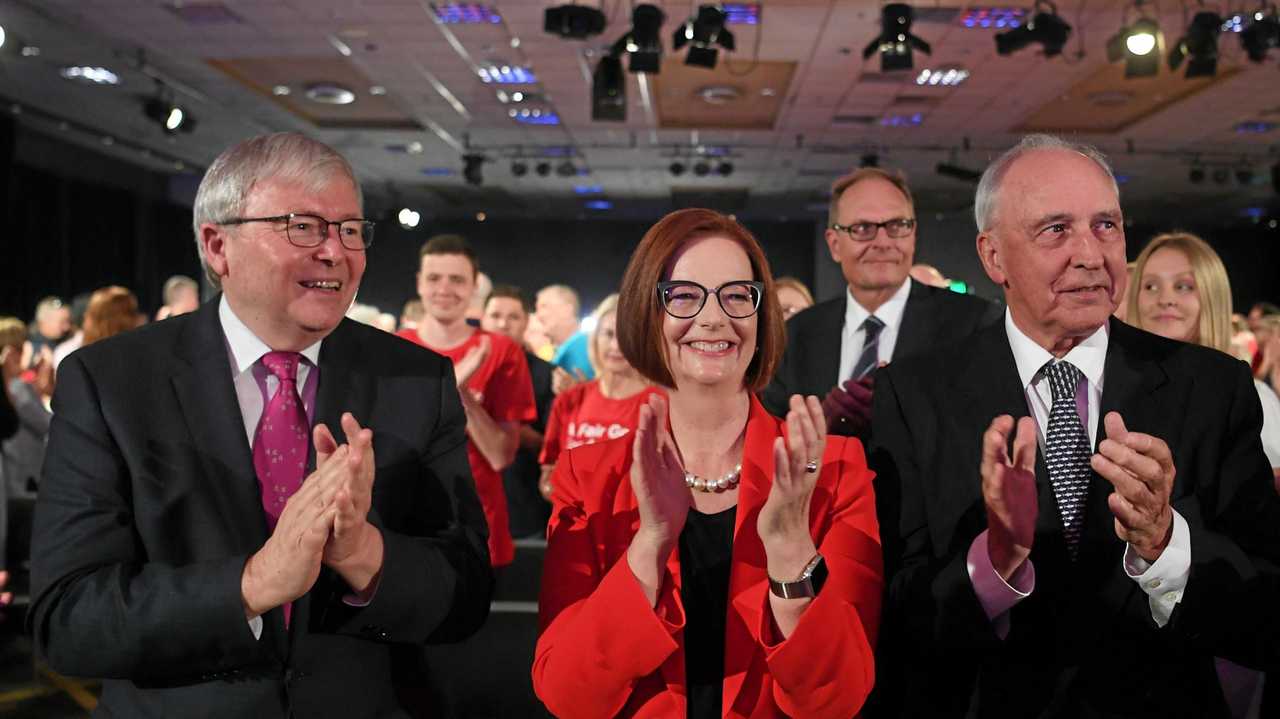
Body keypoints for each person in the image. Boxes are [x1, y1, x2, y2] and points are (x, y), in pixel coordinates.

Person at [28, 132, 494, 717]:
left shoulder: (416, 381)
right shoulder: (112, 383)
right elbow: (67, 619)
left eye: (350, 229)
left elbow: (467, 597)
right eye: (304, 227)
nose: (335, 252)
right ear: (218, 246)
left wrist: (363, 553)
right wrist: (250, 586)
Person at [870, 134, 1280, 717]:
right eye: (1056, 230)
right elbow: (896, 618)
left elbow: (1266, 616)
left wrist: (1168, 545)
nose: (1091, 254)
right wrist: (993, 561)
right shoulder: (914, 396)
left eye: (1106, 226)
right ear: (993, 257)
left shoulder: (1213, 388)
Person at [533, 208, 882, 718]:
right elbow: (569, 697)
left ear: (761, 319)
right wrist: (650, 543)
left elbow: (837, 699)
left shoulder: (833, 468)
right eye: (684, 295)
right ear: (646, 314)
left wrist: (790, 551)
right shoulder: (589, 476)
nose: (714, 317)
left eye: (737, 295)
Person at [1124, 230, 1280, 717]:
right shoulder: (1113, 392)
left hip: (1215, 627)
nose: (1164, 299)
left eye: (1183, 286)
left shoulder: (1253, 397)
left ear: (1210, 295)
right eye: (1150, 286)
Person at [762, 167, 1001, 438]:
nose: (883, 242)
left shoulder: (971, 325)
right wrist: (819, 431)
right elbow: (770, 443)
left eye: (897, 226)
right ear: (834, 244)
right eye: (863, 228)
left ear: (913, 235)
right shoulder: (796, 336)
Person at [397, 235, 536, 568]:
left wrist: (461, 396)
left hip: (477, 529)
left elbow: (500, 455)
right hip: (407, 528)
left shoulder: (501, 351)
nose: (444, 289)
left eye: (457, 279)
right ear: (419, 283)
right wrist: (452, 382)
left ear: (475, 287)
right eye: (434, 278)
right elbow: (398, 449)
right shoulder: (396, 349)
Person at [537, 293, 664, 500]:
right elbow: (549, 473)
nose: (616, 346)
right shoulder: (569, 399)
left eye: (627, 336)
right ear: (595, 338)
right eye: (609, 334)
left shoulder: (658, 404)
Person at [481, 284, 556, 538]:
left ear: (526, 322)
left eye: (513, 317)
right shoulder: (461, 369)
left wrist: (515, 433)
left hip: (523, 513)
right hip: (466, 511)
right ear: (483, 318)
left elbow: (555, 447)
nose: (503, 324)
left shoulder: (547, 375)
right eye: (495, 316)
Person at [536, 284, 595, 389]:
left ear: (567, 309)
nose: (538, 315)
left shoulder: (582, 346)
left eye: (544, 306)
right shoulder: (569, 347)